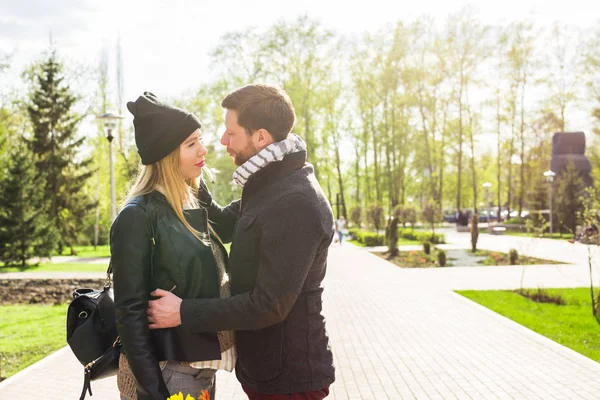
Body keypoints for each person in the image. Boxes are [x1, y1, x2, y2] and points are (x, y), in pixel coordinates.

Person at [147, 84, 336, 399]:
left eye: (230, 133)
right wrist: (192, 169)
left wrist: (184, 312)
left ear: (260, 137)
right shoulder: (267, 185)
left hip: (291, 380)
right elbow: (223, 223)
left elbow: (269, 305)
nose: (223, 142)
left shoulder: (296, 201)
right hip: (267, 373)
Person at [111, 92, 235, 400]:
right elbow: (129, 313)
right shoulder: (137, 216)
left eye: (200, 140)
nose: (203, 150)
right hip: (167, 374)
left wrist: (269, 177)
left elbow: (228, 224)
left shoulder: (189, 199)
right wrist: (154, 392)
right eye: (191, 144)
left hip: (198, 371)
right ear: (167, 154)